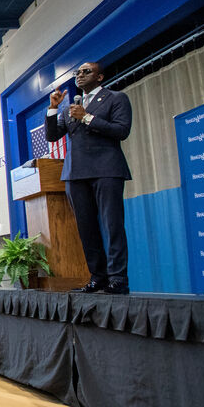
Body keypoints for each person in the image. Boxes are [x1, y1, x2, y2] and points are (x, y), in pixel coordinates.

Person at [46, 61, 133, 294]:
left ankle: (118, 279)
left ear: (100, 77)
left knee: (112, 224)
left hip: (106, 170)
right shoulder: (69, 108)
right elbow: (52, 136)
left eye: (86, 72)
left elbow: (121, 130)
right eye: (77, 73)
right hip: (76, 174)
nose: (80, 75)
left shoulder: (116, 98)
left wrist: (87, 118)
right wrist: (53, 109)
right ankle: (98, 278)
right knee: (86, 228)